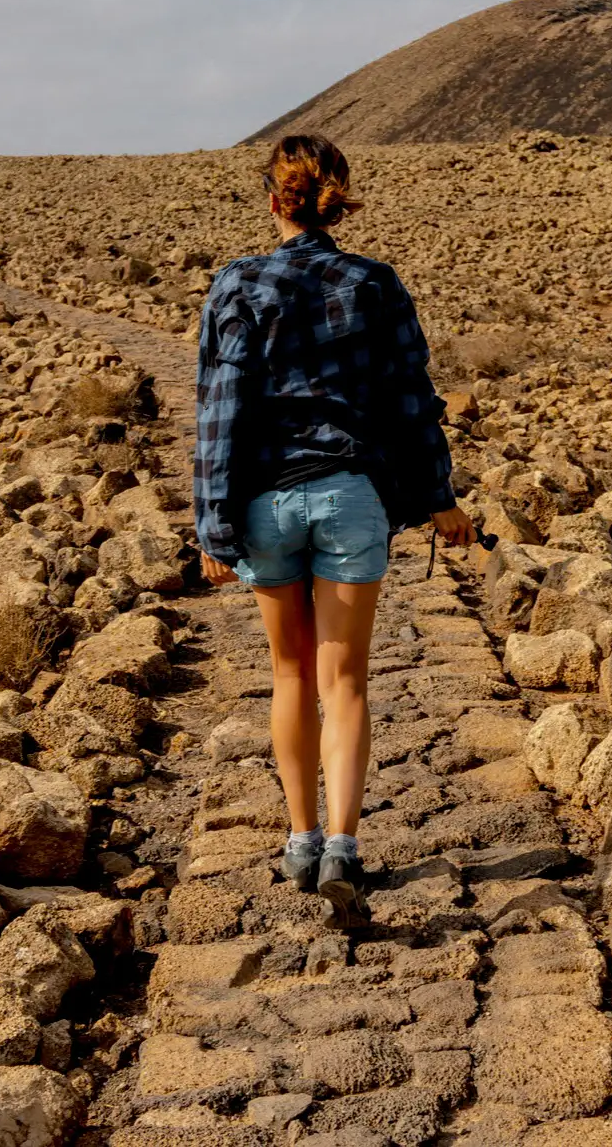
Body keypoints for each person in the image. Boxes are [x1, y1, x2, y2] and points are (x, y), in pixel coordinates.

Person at [192, 133, 477, 927]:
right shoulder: (372, 283)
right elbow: (410, 399)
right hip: (350, 495)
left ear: (270, 197)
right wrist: (439, 499)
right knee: (344, 680)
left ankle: (298, 838)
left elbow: (220, 411)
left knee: (289, 676)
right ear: (335, 195)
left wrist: (213, 529)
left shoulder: (237, 284)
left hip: (263, 505)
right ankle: (344, 850)